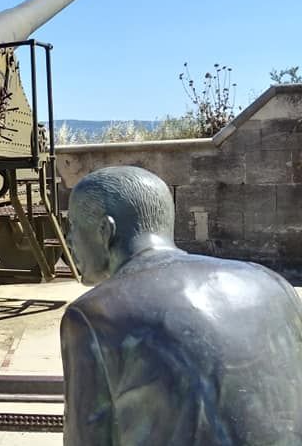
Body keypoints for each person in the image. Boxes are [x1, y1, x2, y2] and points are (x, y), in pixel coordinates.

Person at [62, 166, 302, 445]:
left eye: (73, 228)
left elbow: (87, 438)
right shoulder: (273, 283)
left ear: (106, 230)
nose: (69, 240)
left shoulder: (95, 314)